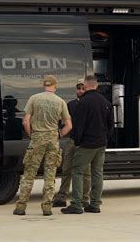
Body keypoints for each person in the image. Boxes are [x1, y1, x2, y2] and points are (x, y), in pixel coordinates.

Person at [13, 75, 72, 216]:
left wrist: (31, 134)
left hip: (37, 138)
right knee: (50, 174)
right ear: (55, 86)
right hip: (53, 139)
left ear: (43, 85)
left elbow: (25, 122)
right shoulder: (60, 102)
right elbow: (69, 125)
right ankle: (47, 207)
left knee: (29, 173)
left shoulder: (34, 98)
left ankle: (21, 207)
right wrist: (58, 135)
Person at [62, 75, 113, 214]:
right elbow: (110, 125)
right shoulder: (106, 102)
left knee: (77, 171)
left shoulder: (83, 102)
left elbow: (79, 126)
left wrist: (78, 142)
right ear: (96, 85)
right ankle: (95, 204)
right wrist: (105, 139)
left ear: (85, 85)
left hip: (86, 144)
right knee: (97, 173)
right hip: (101, 144)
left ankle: (76, 204)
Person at [52, 79, 91, 208]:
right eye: (78, 88)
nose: (80, 90)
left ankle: (85, 198)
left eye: (82, 88)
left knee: (85, 171)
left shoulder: (90, 104)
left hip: (85, 142)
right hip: (72, 140)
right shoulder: (71, 105)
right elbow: (62, 120)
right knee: (66, 168)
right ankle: (62, 196)